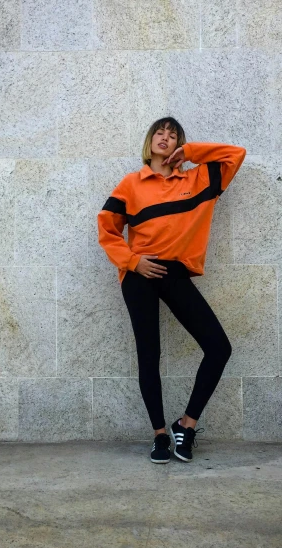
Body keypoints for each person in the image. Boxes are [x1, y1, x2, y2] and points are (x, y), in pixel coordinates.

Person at [97, 117, 246, 464]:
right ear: (149, 142)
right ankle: (160, 436)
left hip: (175, 273)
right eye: (160, 134)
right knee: (149, 355)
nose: (166, 138)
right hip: (139, 274)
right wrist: (133, 262)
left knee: (218, 347)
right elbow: (106, 228)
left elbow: (235, 155)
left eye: (173, 135)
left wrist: (190, 153)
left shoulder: (198, 179)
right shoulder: (131, 184)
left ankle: (186, 425)